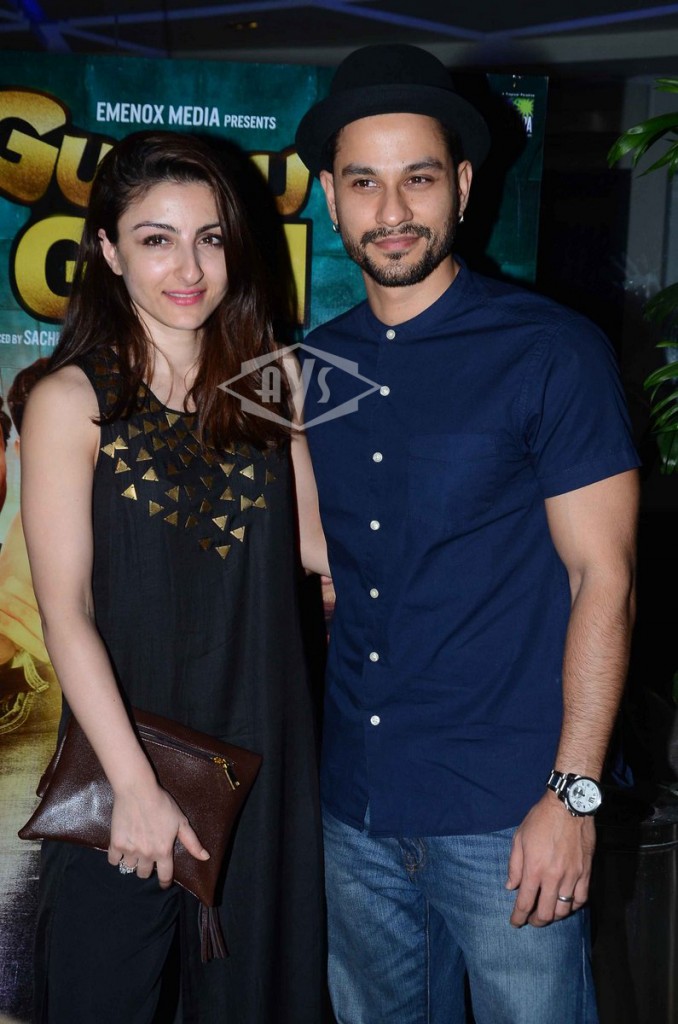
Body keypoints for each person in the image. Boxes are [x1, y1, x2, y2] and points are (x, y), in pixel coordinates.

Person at [294, 44, 641, 1024]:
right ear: (331, 199)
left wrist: (573, 796)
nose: (391, 210)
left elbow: (605, 579)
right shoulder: (313, 366)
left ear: (463, 186)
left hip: (509, 812)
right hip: (358, 806)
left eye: (418, 178)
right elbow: (320, 560)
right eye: (364, 182)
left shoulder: (550, 351)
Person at [20, 129, 328, 1024]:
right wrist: (135, 789)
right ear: (110, 252)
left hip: (267, 764)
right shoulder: (70, 400)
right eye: (156, 239)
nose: (189, 268)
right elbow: (66, 612)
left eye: (210, 238)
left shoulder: (275, 379)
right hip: (127, 768)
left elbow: (322, 551)